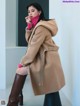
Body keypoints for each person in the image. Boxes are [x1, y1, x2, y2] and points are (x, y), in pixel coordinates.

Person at [7, 2, 65, 106]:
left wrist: (23, 62)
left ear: (39, 12)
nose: (30, 13)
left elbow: (33, 47)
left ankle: (13, 102)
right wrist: (29, 27)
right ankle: (16, 99)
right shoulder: (38, 25)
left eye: (33, 11)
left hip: (46, 61)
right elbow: (30, 42)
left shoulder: (41, 27)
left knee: (20, 70)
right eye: (28, 11)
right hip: (43, 58)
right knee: (21, 70)